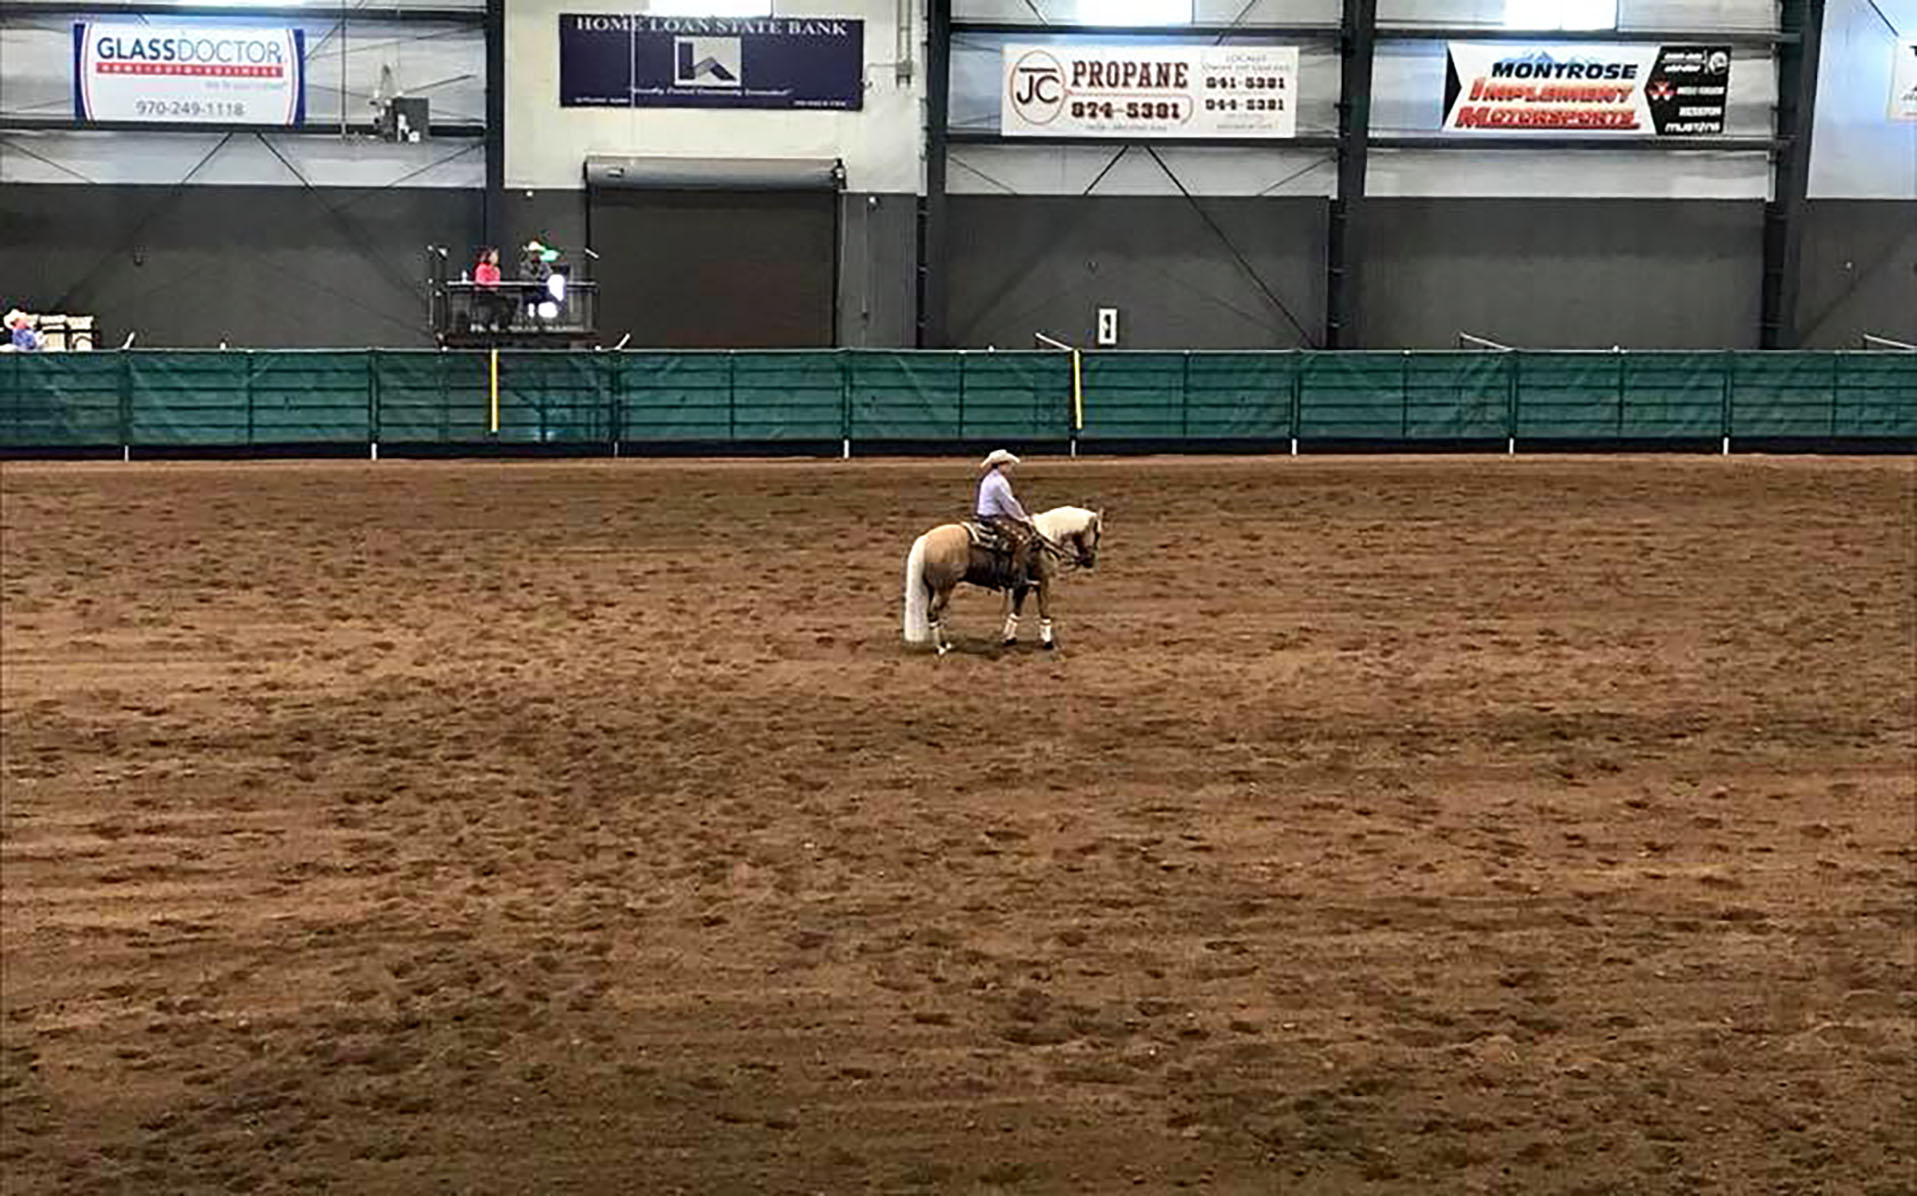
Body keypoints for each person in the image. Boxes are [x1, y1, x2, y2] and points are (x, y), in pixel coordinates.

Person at [975, 448, 1038, 589]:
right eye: (1009, 464)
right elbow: (1009, 504)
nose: (1011, 467)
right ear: (1001, 465)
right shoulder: (999, 482)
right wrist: (1023, 519)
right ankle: (1017, 577)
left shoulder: (990, 478)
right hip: (992, 517)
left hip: (985, 515)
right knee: (1022, 540)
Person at [472, 247, 504, 331]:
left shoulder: (496, 270)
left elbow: (496, 284)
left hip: (493, 295)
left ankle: (495, 324)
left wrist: (491, 286)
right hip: (482, 295)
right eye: (494, 256)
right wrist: (488, 285)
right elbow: (480, 282)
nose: (496, 258)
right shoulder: (481, 268)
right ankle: (482, 324)